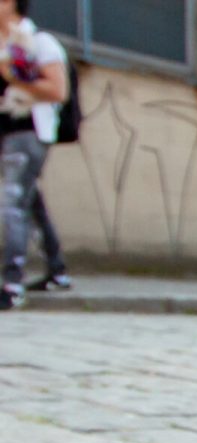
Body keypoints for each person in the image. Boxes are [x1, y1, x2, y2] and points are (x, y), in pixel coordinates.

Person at [0, 0, 69, 311]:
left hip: (27, 133)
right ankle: (57, 270)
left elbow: (58, 90)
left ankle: (11, 284)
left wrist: (12, 75)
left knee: (13, 203)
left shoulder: (39, 43)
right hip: (4, 133)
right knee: (31, 203)